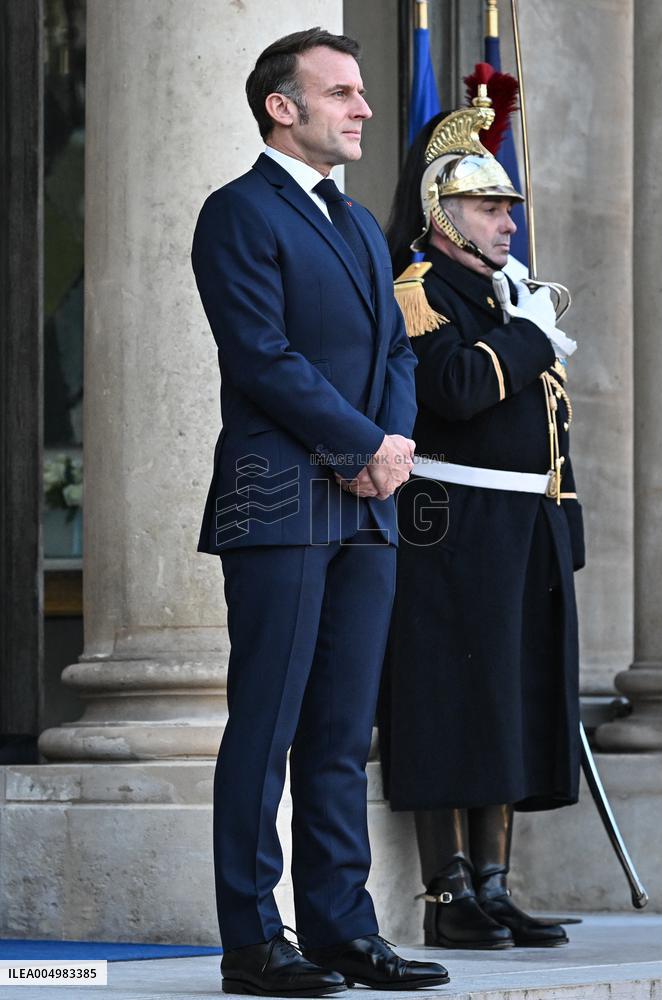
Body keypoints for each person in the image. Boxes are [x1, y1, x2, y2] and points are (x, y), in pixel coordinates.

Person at [191, 27, 449, 997]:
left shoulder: (350, 224)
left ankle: (342, 930)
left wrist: (385, 449)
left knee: (341, 734)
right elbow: (262, 357)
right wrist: (359, 449)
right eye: (341, 92)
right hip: (280, 502)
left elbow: (395, 353)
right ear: (281, 107)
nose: (364, 109)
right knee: (266, 726)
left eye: (361, 91)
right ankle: (254, 940)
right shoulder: (237, 214)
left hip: (366, 507)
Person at [379, 91, 585, 950]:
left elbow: (549, 427)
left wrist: (563, 523)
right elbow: (456, 390)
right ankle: (448, 891)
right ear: (442, 212)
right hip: (451, 522)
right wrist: (532, 334)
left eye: (506, 208)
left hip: (517, 527)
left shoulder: (505, 295)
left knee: (509, 698)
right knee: (448, 700)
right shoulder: (420, 289)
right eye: (487, 207)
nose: (506, 223)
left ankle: (495, 883)